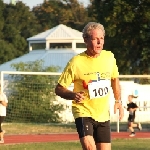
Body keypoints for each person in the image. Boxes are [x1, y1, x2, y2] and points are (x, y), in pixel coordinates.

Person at [55, 22, 124, 150]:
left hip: (103, 114)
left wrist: (118, 100)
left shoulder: (109, 57)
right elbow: (59, 89)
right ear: (85, 40)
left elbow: (115, 79)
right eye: (95, 39)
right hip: (83, 111)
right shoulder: (76, 62)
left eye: (101, 38)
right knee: (90, 148)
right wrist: (73, 95)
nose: (99, 42)